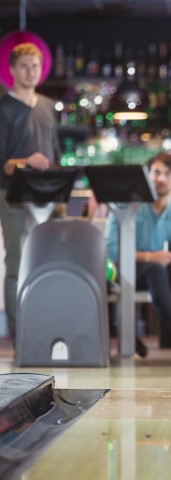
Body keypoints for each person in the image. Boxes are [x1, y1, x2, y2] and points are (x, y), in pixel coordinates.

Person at [105, 152, 171, 359]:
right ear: (146, 174)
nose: (160, 179)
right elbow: (110, 252)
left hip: (153, 273)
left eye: (167, 174)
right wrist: (150, 256)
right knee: (156, 269)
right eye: (156, 172)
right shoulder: (126, 204)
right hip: (120, 270)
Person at [0, 42, 60, 346]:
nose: (30, 71)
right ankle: (21, 334)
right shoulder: (4, 109)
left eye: (35, 66)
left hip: (48, 194)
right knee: (18, 263)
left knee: (47, 263)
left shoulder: (48, 106)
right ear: (11, 70)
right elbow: (3, 165)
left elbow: (56, 153)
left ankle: (45, 329)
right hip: (12, 195)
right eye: (24, 66)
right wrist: (26, 161)